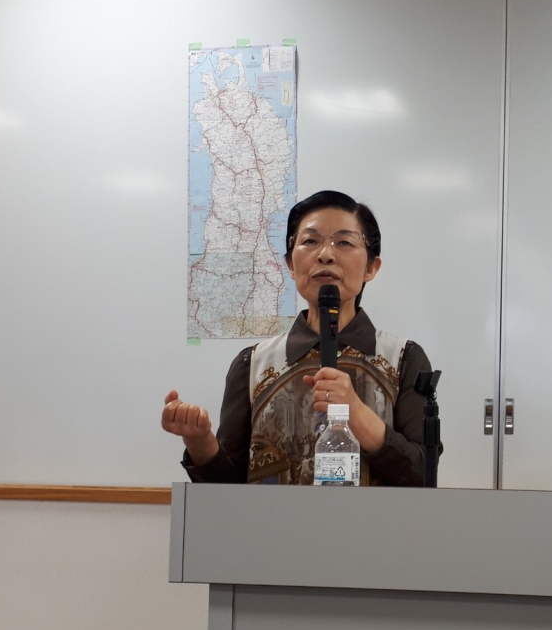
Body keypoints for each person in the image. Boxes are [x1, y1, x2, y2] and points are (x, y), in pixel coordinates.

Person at [161, 190, 438, 486]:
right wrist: (200, 441)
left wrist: (357, 413)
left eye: (344, 242)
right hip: (274, 518)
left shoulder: (403, 358)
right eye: (310, 241)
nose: (325, 254)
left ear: (371, 267)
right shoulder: (252, 364)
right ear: (291, 265)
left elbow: (423, 475)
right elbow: (229, 488)